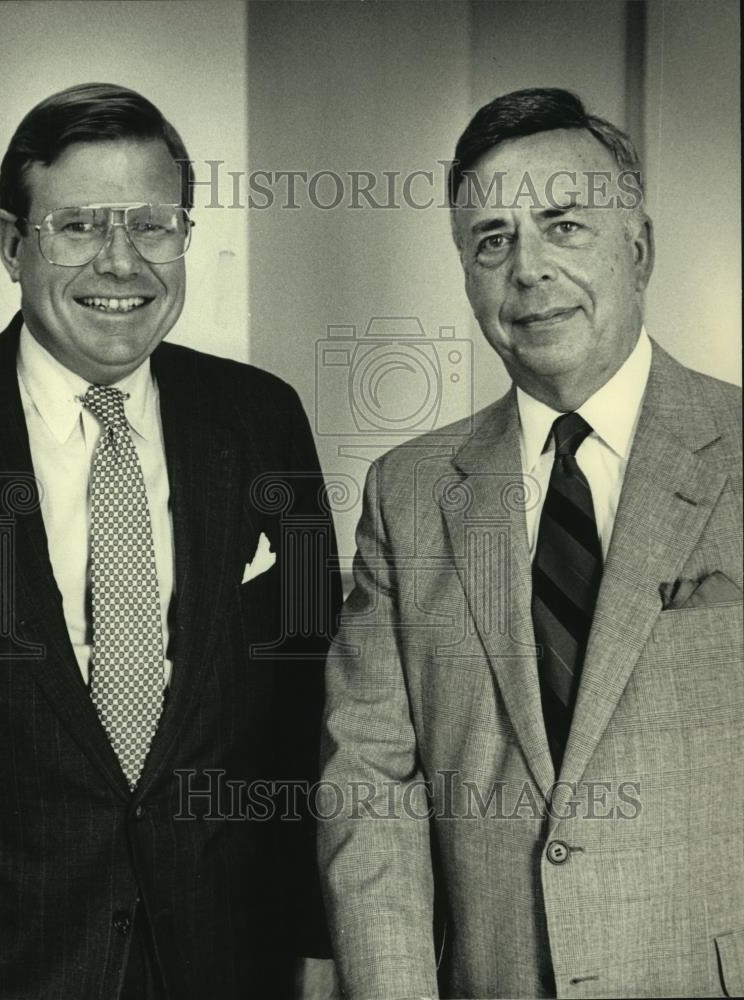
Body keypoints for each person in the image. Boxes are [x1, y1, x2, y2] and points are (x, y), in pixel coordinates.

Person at [0, 82, 341, 999]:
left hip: (228, 960)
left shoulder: (261, 418)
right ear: (14, 246)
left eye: (152, 225)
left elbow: (310, 695)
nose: (121, 262)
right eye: (78, 227)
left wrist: (317, 943)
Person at [319, 88, 742, 999]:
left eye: (563, 225)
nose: (529, 270)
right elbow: (371, 785)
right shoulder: (408, 492)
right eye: (492, 239)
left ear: (640, 247)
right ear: (468, 276)